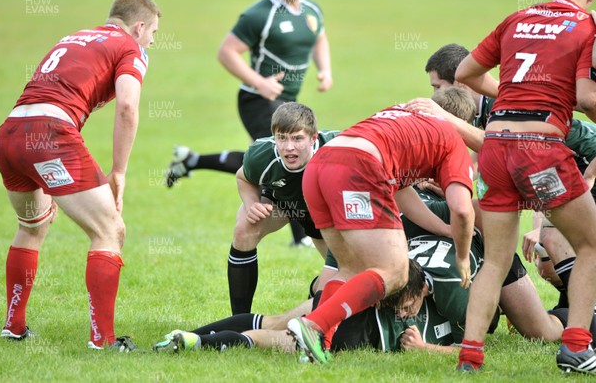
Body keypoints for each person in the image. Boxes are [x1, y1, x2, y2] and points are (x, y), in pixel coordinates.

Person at [153, 188, 585, 356]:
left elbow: (474, 344)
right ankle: (192, 336)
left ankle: (577, 313)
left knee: (543, 331)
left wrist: (427, 351)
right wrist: (327, 290)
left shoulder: (454, 288)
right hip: (361, 293)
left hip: (486, 260)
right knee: (281, 324)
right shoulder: (392, 232)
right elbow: (342, 269)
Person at [0, 0, 160, 351]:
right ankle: (104, 341)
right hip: (49, 134)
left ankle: (13, 326)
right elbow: (128, 107)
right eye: (153, 34)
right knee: (110, 230)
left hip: (9, 134)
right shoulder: (131, 47)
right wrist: (119, 171)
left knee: (32, 225)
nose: (152, 42)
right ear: (140, 25)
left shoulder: (73, 36)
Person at [452, 0, 596, 373]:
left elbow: (464, 73)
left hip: (496, 148)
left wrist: (515, 97)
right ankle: (578, 348)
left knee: (496, 259)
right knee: (591, 245)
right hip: (541, 150)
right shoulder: (585, 25)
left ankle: (470, 356)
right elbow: (586, 98)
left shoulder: (517, 19)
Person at [285, 97, 476, 364]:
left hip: (319, 166)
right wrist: (463, 255)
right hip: (358, 167)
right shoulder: (453, 142)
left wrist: (443, 228)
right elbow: (463, 210)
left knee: (350, 267)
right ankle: (313, 324)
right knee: (396, 272)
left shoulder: (409, 121)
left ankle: (320, 343)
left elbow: (403, 190)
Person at [412, 42, 596, 311]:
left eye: (438, 87)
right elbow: (479, 162)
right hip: (561, 180)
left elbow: (496, 144)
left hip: (589, 168)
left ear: (461, 83)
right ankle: (570, 307)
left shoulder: (504, 105)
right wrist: (451, 185)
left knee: (552, 239)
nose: (434, 95)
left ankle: (587, 313)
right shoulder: (481, 114)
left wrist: (444, 117)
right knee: (545, 257)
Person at [165, 0, 333, 247]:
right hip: (257, 100)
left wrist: (325, 70)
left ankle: (191, 161)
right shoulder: (259, 15)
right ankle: (301, 238)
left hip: (287, 102)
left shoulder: (312, 10)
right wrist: (260, 82)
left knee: (262, 158)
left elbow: (319, 37)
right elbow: (226, 51)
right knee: (279, 158)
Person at [227, 102, 336, 315]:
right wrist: (252, 205)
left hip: (327, 214)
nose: (289, 147)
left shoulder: (337, 151)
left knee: (341, 276)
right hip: (283, 202)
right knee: (244, 230)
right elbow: (243, 177)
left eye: (297, 138)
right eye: (282, 138)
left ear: (313, 138)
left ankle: (316, 293)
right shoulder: (262, 154)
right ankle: (240, 320)